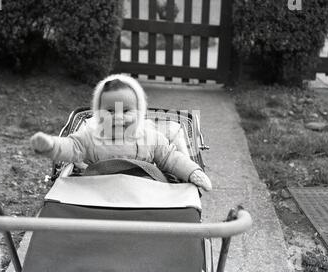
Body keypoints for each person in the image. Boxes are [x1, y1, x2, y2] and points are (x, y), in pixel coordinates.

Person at [30, 74, 212, 191]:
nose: (118, 117)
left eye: (126, 111)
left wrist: (192, 172)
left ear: (139, 112)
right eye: (110, 111)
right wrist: (51, 145)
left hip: (145, 196)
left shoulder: (150, 137)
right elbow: (70, 147)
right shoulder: (90, 137)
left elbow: (171, 158)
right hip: (99, 195)